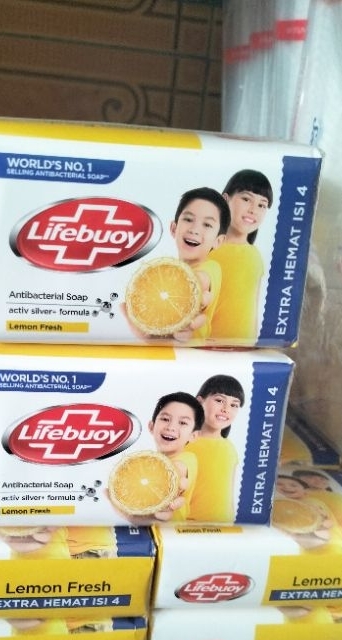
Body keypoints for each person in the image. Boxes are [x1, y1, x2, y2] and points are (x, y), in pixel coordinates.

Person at [122, 187, 229, 344]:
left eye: (207, 224)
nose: (195, 230)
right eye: (188, 219)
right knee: (124, 308)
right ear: (173, 228)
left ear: (218, 241)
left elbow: (200, 281)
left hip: (195, 351)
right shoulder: (173, 270)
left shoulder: (211, 267)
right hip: (172, 348)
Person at [210, 169, 274, 344]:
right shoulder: (206, 249)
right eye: (246, 199)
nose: (253, 210)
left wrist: (252, 345)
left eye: (262, 205)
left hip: (241, 350)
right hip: (203, 347)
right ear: (225, 199)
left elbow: (253, 311)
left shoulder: (255, 256)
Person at [185, 374, 245, 522]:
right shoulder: (183, 444)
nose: (226, 409)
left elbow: (229, 497)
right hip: (187, 527)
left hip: (222, 528)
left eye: (234, 405)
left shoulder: (230, 448)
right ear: (199, 402)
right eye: (219, 400)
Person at [146, 391, 205, 522]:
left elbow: (177, 471)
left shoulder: (186, 459)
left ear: (193, 435)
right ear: (151, 426)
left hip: (173, 529)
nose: (171, 427)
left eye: (182, 423)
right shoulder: (153, 461)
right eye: (165, 419)